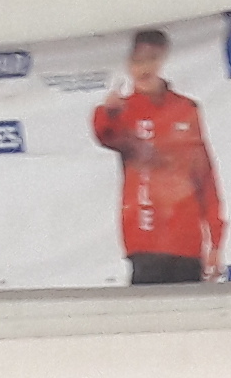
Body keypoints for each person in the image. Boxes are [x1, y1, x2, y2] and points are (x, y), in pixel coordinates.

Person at [91, 25, 223, 284]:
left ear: (163, 59)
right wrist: (107, 111)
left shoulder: (185, 109)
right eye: (137, 60)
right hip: (145, 238)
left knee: (187, 308)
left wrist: (216, 241)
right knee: (146, 307)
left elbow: (205, 177)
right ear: (128, 65)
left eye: (152, 59)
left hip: (186, 241)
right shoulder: (123, 111)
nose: (144, 68)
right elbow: (103, 134)